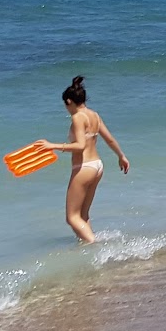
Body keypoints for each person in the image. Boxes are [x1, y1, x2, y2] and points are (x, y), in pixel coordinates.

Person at [37, 76, 129, 243]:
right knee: (83, 215)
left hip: (84, 167)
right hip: (97, 166)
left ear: (69, 101)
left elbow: (80, 146)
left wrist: (53, 146)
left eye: (66, 106)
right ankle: (87, 250)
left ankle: (94, 245)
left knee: (71, 217)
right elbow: (109, 139)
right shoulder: (94, 115)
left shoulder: (78, 117)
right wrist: (121, 156)